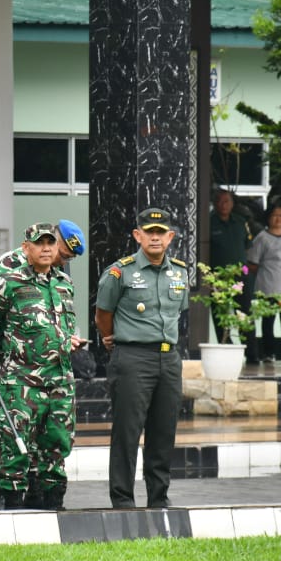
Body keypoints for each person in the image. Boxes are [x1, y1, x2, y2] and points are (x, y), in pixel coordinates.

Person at [0, 223, 84, 511]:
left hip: (59, 380)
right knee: (13, 448)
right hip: (21, 381)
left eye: (51, 242)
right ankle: (9, 506)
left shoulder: (63, 283)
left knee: (56, 446)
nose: (47, 248)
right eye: (40, 243)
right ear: (26, 248)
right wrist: (11, 356)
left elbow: (62, 324)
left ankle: (53, 505)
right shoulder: (9, 283)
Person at [95, 207, 189, 509]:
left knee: (163, 432)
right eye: (149, 232)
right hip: (133, 357)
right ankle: (122, 499)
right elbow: (103, 314)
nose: (155, 238)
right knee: (128, 431)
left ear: (170, 237)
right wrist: (113, 340)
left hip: (168, 359)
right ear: (138, 235)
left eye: (161, 233)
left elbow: (177, 313)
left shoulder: (179, 272)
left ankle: (159, 498)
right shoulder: (119, 272)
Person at [247, 203, 281, 363]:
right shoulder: (262, 238)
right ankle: (268, 354)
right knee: (268, 322)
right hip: (268, 287)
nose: (278, 218)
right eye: (274, 215)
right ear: (268, 218)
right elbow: (252, 263)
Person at [208, 189, 255, 362]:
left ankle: (252, 354)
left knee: (244, 314)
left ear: (232, 203)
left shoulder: (241, 222)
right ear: (214, 203)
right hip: (218, 277)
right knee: (220, 314)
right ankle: (227, 350)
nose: (223, 204)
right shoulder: (208, 223)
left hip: (240, 277)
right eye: (219, 201)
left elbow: (248, 248)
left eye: (227, 201)